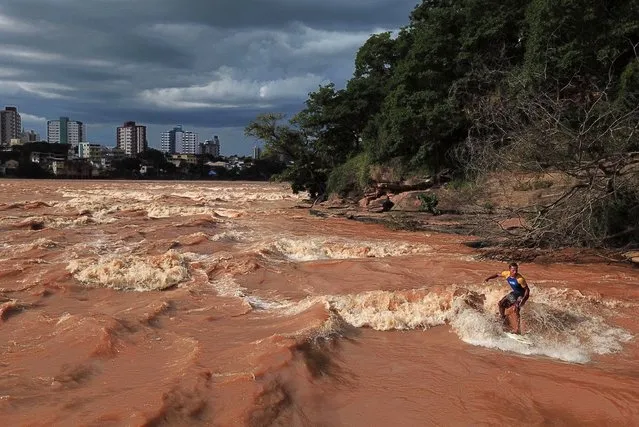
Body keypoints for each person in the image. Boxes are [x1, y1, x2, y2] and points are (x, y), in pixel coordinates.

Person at [484, 262, 530, 334]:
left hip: (521, 295)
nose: (515, 272)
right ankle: (503, 319)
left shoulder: (520, 279)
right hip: (514, 294)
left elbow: (527, 290)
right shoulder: (506, 274)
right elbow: (497, 274)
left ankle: (518, 330)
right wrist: (488, 278)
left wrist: (523, 300)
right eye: (513, 270)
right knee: (501, 304)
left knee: (516, 308)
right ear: (509, 270)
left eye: (516, 270)